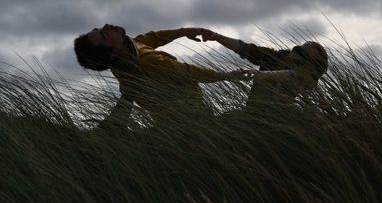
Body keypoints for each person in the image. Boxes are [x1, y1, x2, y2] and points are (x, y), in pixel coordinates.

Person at [74, 24, 248, 127]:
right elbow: (189, 72)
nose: (107, 26)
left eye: (99, 29)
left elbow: (153, 38)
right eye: (105, 35)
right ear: (113, 53)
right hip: (189, 119)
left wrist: (185, 31)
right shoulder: (147, 62)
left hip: (168, 121)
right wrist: (227, 75)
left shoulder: (125, 50)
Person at [198, 30, 329, 112]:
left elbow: (291, 76)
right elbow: (245, 49)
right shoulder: (274, 57)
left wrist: (262, 75)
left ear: (316, 59)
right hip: (253, 113)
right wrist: (216, 36)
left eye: (316, 47)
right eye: (309, 42)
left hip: (283, 119)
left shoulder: (309, 73)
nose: (311, 43)